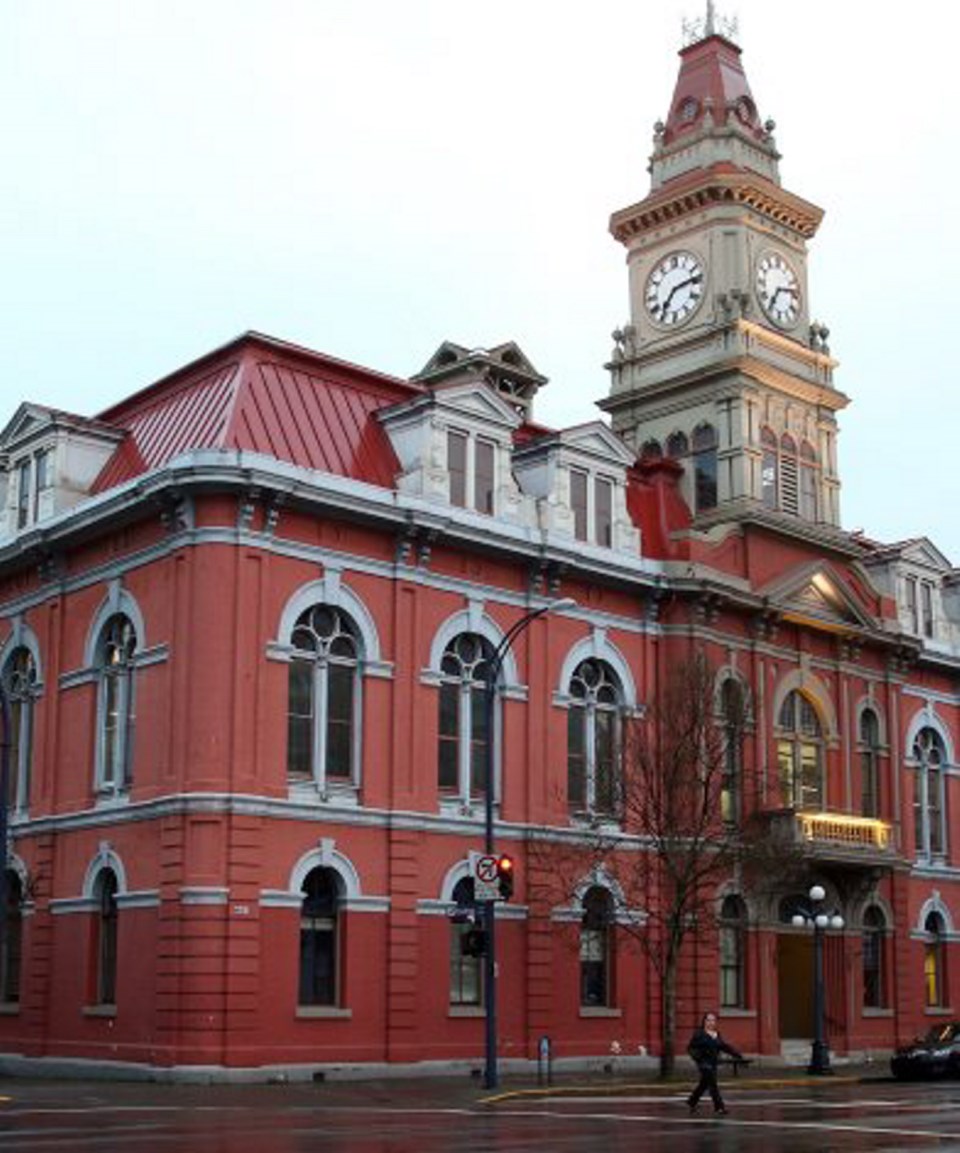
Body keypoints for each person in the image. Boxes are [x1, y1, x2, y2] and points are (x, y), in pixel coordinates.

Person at [686, 1010, 743, 1115]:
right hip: (703, 1064)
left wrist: (736, 1054)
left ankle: (691, 1101)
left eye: (713, 1020)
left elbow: (724, 1046)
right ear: (704, 1022)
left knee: (703, 1085)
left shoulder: (717, 1034)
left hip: (713, 1063)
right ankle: (719, 1107)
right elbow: (690, 1048)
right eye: (708, 1020)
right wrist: (698, 1058)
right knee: (713, 1085)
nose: (710, 1022)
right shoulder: (699, 1034)